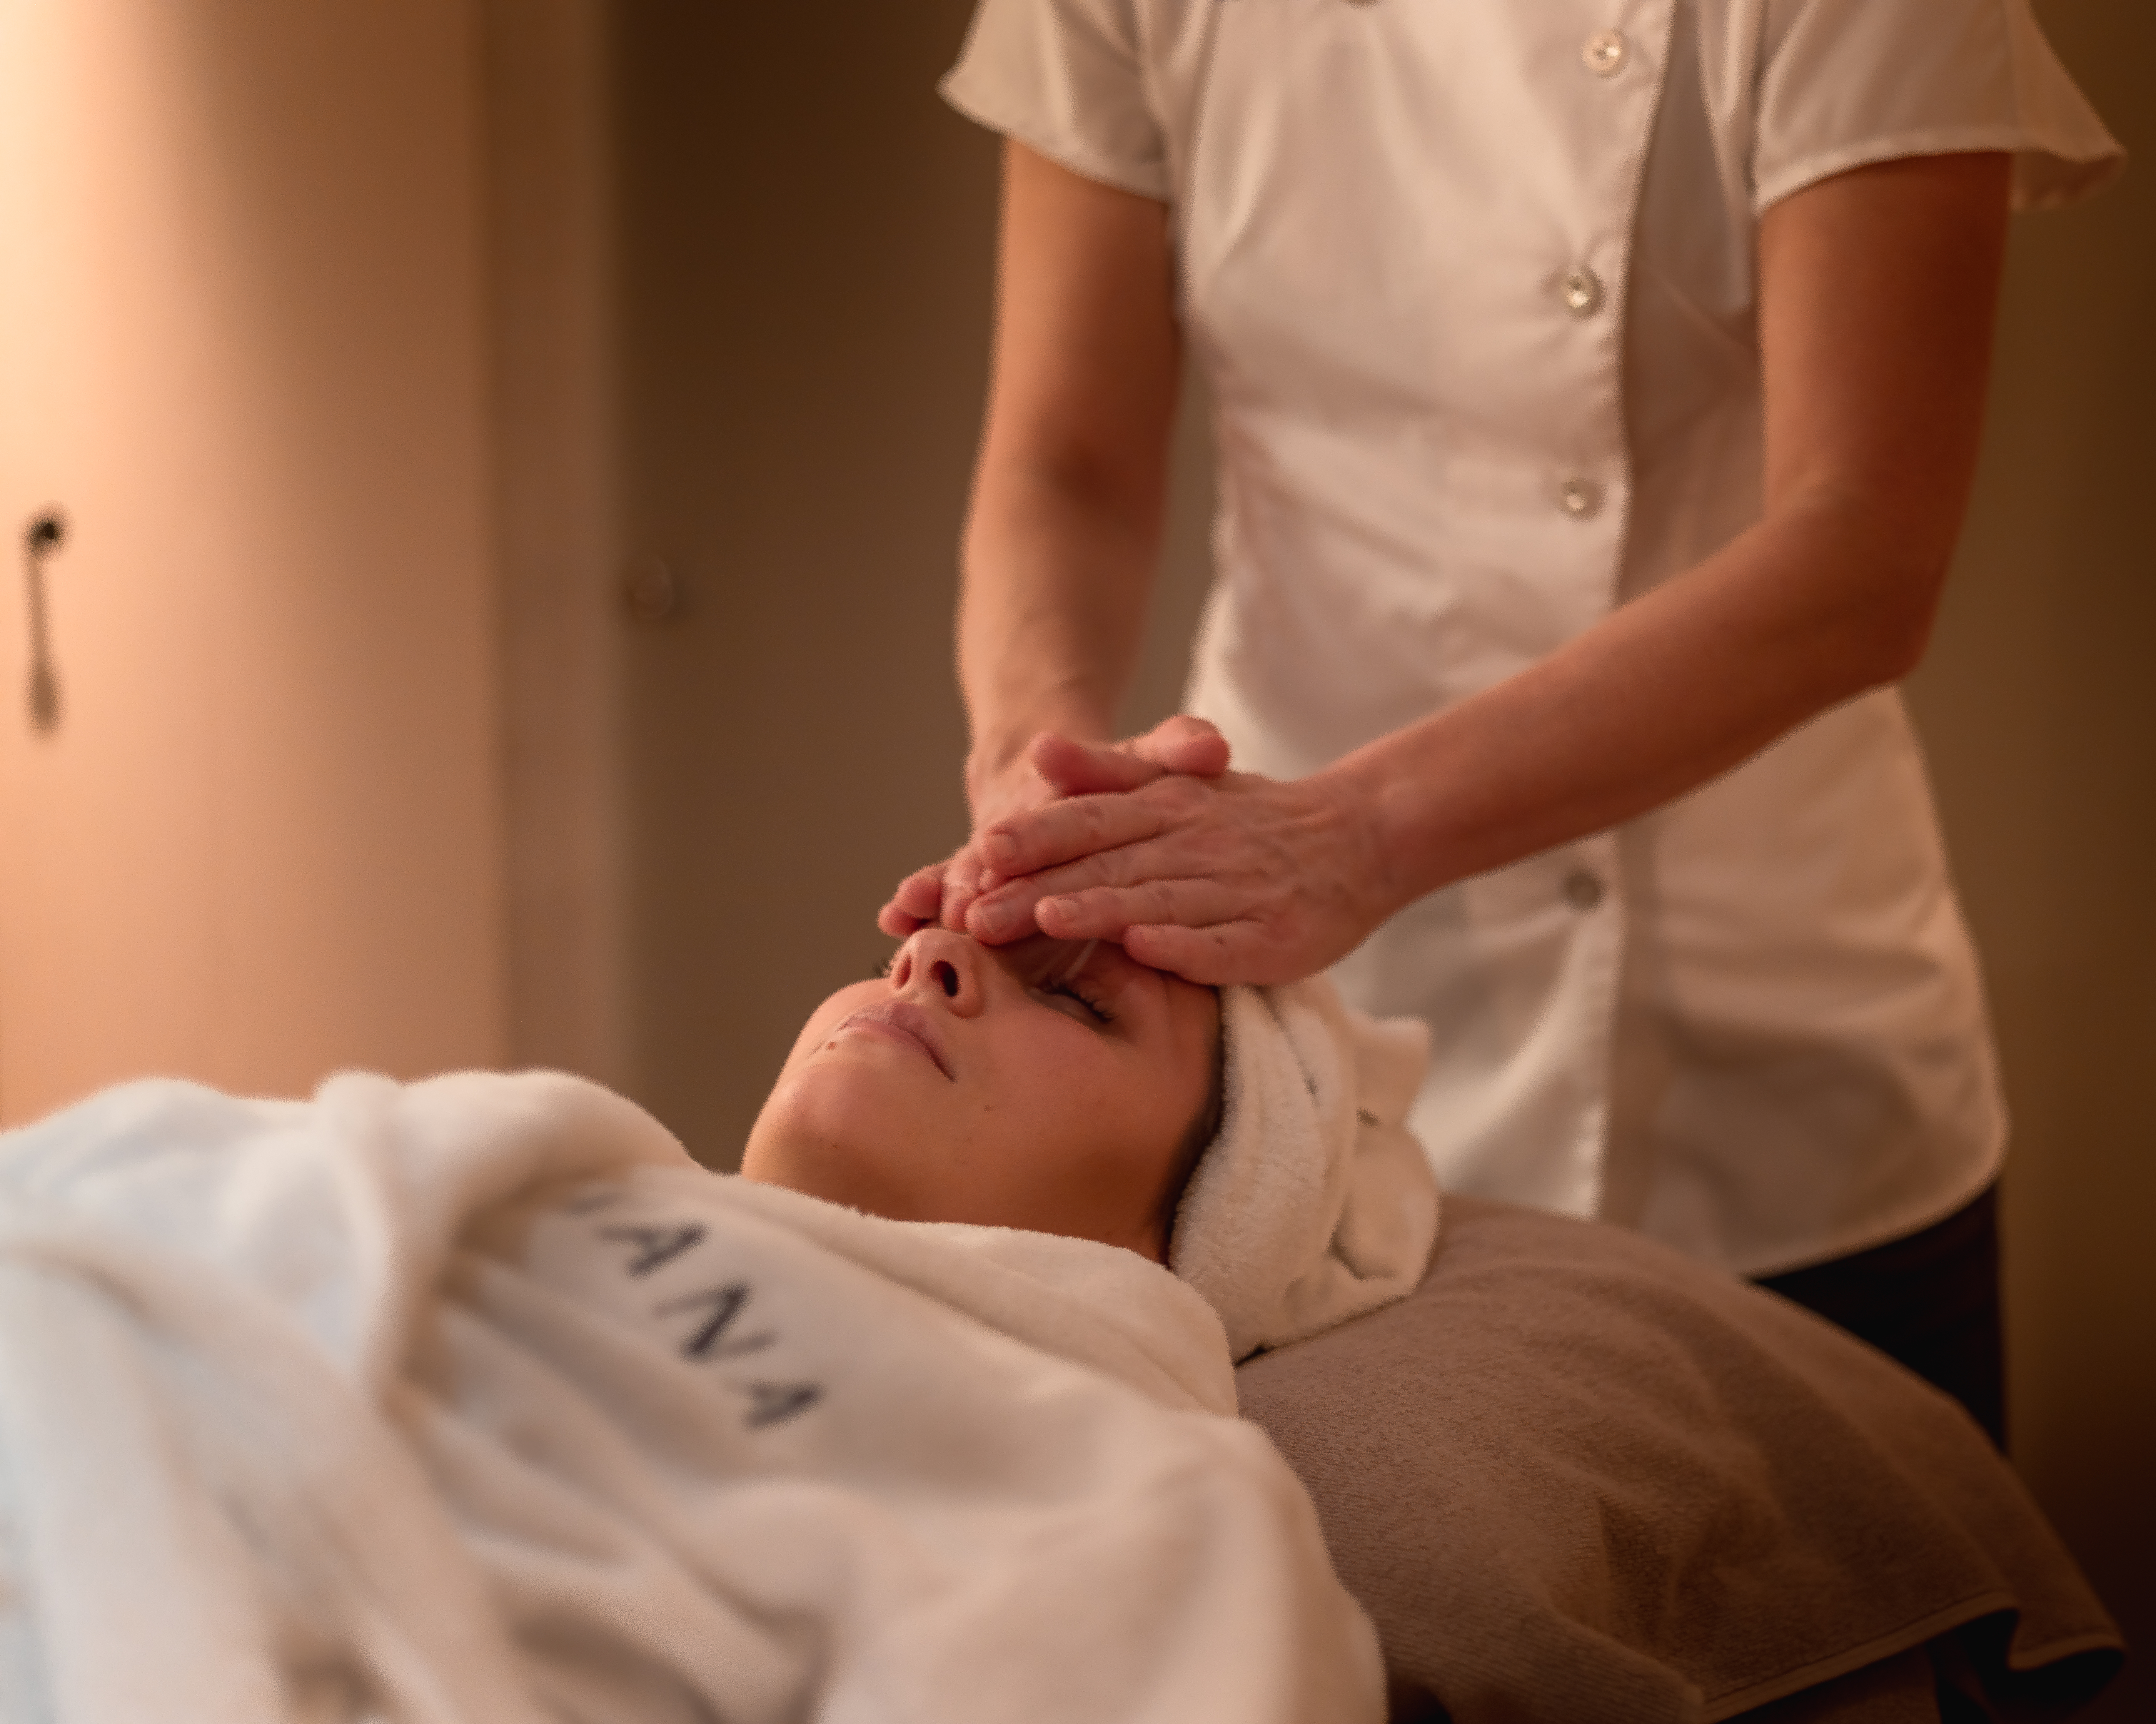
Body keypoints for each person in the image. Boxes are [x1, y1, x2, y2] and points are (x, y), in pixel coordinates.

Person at [879, 0, 2124, 1442]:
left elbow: (1860, 555)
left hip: (1764, 1055)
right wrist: (1034, 766)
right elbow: (1068, 464)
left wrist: (1353, 835)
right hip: (1287, 1077)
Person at [0, 930, 1432, 1721]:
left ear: (1190, 1234)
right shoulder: (511, 1169)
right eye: (914, 933)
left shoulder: (1154, 1506)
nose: (931, 956)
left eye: (1071, 996)